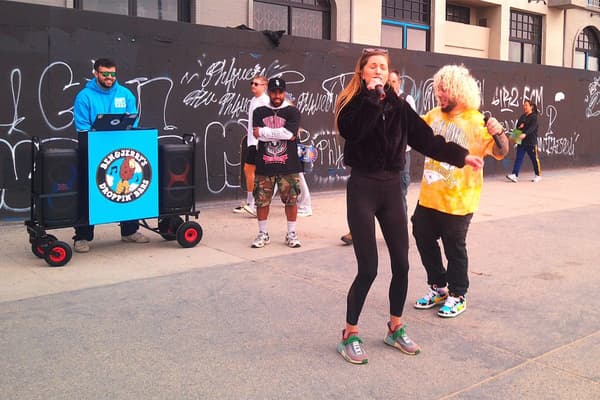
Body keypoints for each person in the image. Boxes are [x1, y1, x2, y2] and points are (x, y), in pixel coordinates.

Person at [335, 49, 490, 365]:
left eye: (383, 66)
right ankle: (350, 333)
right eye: (373, 66)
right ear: (362, 72)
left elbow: (427, 140)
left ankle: (395, 327)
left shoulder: (399, 107)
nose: (379, 70)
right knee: (368, 268)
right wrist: (371, 98)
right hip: (363, 187)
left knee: (402, 266)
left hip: (391, 189)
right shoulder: (352, 103)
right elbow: (352, 131)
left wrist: (462, 157)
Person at [412, 64, 508, 319]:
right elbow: (413, 130)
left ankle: (458, 294)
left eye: (444, 89)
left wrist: (499, 133)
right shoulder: (433, 115)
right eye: (437, 89)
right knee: (421, 235)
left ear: (458, 91)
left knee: (454, 248)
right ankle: (439, 287)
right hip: (429, 196)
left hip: (459, 200)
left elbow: (501, 152)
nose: (439, 94)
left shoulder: (476, 121)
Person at [72, 58, 150, 253]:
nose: (109, 77)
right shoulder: (84, 97)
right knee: (89, 192)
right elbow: (82, 127)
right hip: (93, 152)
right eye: (105, 74)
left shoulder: (125, 94)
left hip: (122, 150)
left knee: (129, 190)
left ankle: (129, 231)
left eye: (112, 74)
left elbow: (132, 120)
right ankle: (82, 237)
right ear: (95, 73)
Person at [250, 77, 303, 249]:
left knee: (291, 201)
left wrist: (265, 132)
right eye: (273, 92)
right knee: (261, 201)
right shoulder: (259, 111)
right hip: (264, 165)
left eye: (280, 92)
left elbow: (290, 134)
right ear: (269, 92)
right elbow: (257, 134)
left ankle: (291, 233)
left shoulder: (293, 112)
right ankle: (263, 233)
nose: (277, 95)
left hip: (288, 165)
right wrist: (281, 133)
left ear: (284, 92)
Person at [233, 76, 269, 216]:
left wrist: (261, 139)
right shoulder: (253, 100)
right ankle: (251, 203)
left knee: (251, 170)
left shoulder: (265, 101)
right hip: (252, 142)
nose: (253, 85)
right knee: (249, 171)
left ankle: (254, 205)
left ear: (264, 86)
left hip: (259, 142)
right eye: (252, 83)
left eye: (256, 84)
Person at [389, 69, 416, 217]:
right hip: (384, 154)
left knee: (400, 193)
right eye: (388, 81)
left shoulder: (407, 99)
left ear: (399, 82)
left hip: (402, 154)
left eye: (394, 81)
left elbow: (412, 126)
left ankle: (401, 228)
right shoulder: (379, 99)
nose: (391, 84)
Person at [506, 100, 542, 183]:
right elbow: (518, 127)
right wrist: (514, 137)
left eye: (526, 105)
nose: (524, 107)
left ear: (531, 107)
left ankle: (538, 175)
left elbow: (532, 128)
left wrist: (525, 134)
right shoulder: (522, 117)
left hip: (531, 142)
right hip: (522, 142)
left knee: (534, 159)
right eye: (524, 105)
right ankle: (515, 175)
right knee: (518, 158)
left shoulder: (534, 117)